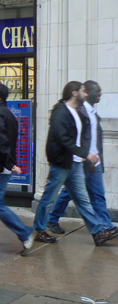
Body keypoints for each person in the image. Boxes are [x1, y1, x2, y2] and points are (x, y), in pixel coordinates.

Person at [33, 81, 116, 247]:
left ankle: (97, 232)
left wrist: (85, 155)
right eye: (82, 90)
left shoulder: (77, 112)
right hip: (62, 164)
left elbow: (81, 136)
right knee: (49, 197)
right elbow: (64, 139)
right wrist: (86, 154)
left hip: (76, 163)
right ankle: (39, 229)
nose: (85, 93)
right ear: (75, 93)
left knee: (83, 200)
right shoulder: (61, 112)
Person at [0, 83, 35, 255]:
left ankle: (25, 233)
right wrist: (9, 163)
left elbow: (1, 140)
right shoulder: (8, 114)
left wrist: (9, 164)